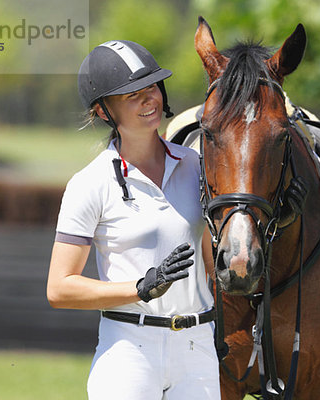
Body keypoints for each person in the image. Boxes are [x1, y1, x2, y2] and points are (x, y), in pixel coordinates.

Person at [46, 40, 220, 400]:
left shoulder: (199, 166)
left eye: (152, 87)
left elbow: (213, 263)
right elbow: (59, 288)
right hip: (129, 349)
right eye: (131, 95)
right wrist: (140, 288)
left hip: (198, 348)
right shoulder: (89, 184)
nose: (149, 99)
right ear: (103, 111)